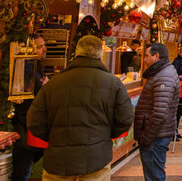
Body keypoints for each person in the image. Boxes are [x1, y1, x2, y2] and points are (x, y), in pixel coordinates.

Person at [27, 35, 134, 180]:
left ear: (77, 53)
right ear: (100, 54)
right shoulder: (113, 84)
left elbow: (34, 121)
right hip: (97, 159)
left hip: (58, 160)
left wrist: (55, 138)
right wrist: (104, 137)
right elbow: (125, 119)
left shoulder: (53, 83)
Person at [135, 43, 180, 181]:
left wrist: (146, 137)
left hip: (156, 137)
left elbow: (160, 114)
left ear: (156, 56)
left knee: (154, 177)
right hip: (157, 135)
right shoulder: (161, 73)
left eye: (147, 56)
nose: (144, 60)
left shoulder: (163, 76)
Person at [12, 34, 48, 181]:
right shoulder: (25, 68)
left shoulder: (36, 66)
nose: (44, 49)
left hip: (31, 125)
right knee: (22, 171)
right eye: (39, 47)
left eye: (44, 45)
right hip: (24, 125)